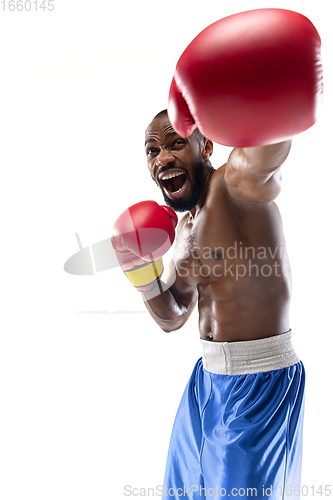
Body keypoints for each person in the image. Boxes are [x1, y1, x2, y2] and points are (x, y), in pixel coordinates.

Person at [112, 9, 322, 500]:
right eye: (151, 151)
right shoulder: (183, 231)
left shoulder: (235, 184)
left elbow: (267, 152)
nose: (162, 157)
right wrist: (140, 271)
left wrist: (258, 84)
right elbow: (173, 315)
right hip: (205, 385)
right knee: (181, 494)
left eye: (175, 143)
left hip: (259, 386)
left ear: (205, 144)